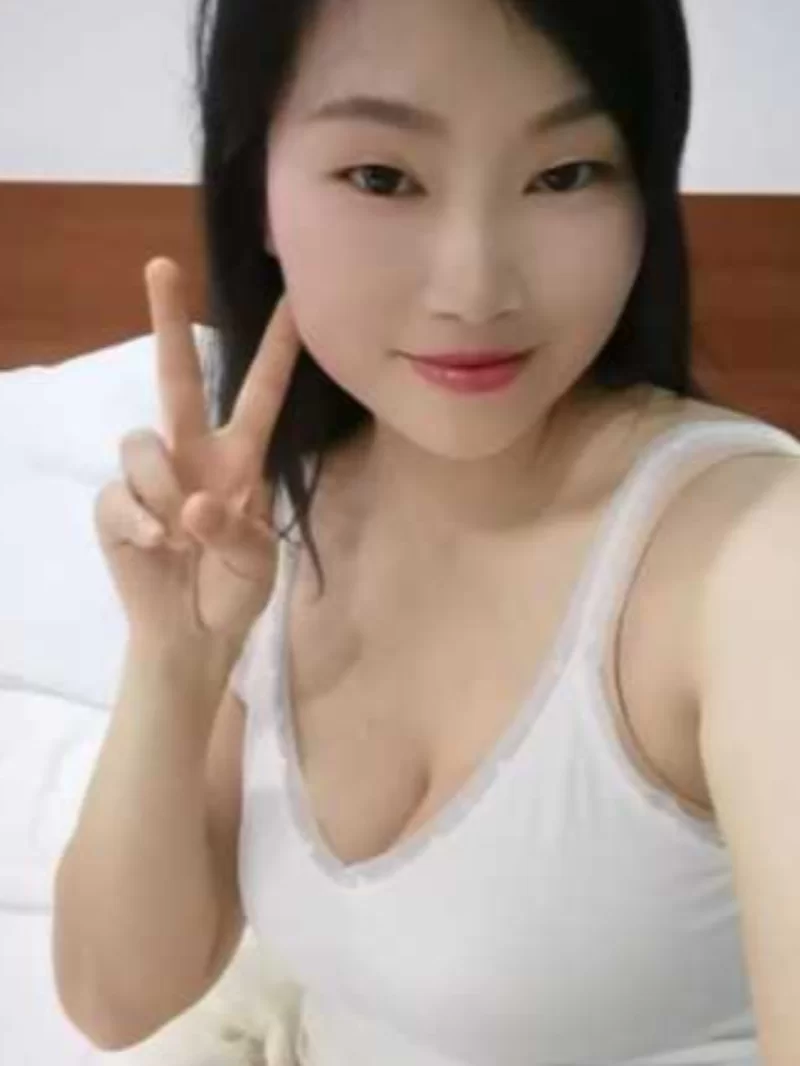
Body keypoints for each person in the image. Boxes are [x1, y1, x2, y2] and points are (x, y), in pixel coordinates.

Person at [52, 0, 800, 1063]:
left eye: (566, 174)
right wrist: (176, 659)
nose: (474, 287)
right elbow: (115, 999)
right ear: (257, 190)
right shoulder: (271, 519)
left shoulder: (754, 556)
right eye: (381, 177)